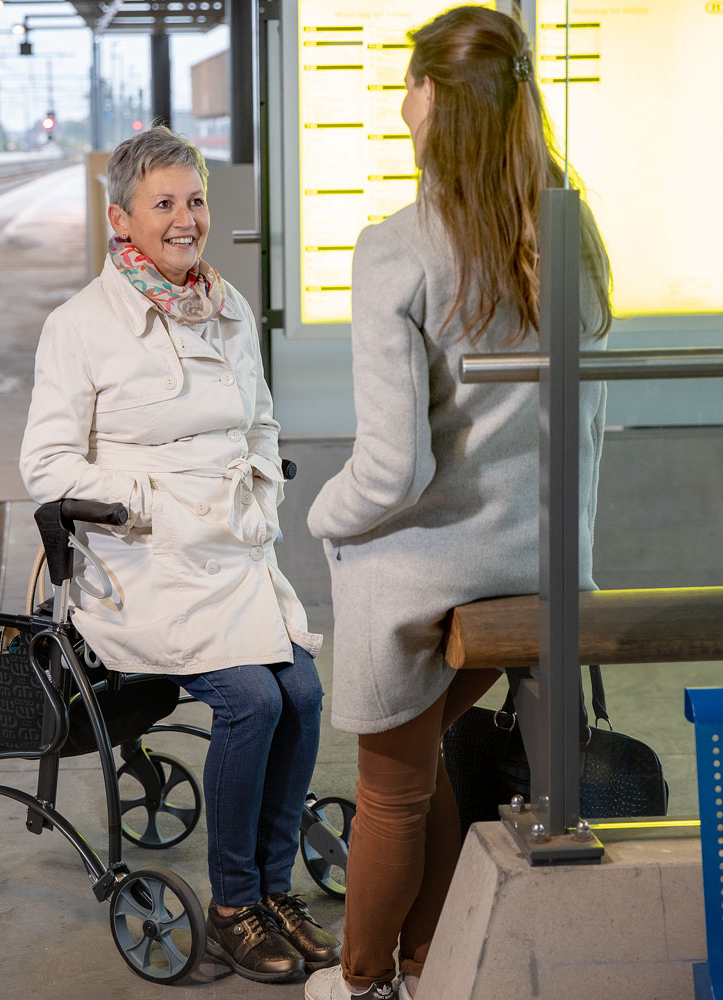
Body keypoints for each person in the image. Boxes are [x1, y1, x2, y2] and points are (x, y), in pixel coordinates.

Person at [303, 8, 612, 1000]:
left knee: (387, 786)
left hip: (430, 566)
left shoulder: (395, 249)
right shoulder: (567, 226)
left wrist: (324, 517)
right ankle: (432, 962)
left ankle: (357, 983)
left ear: (433, 98)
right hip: (537, 560)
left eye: (408, 82)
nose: (401, 102)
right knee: (422, 754)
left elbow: (390, 474)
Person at [20, 126, 339, 984]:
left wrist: (262, 495)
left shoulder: (228, 306)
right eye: (163, 204)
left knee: (303, 693)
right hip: (144, 566)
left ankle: (273, 890)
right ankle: (234, 906)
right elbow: (47, 465)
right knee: (250, 702)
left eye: (194, 200)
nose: (185, 219)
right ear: (123, 220)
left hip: (232, 554)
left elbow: (261, 422)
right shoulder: (81, 325)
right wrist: (153, 505)